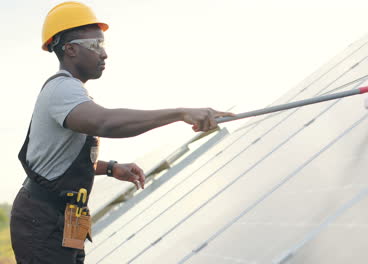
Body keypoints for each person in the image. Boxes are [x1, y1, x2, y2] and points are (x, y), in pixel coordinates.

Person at [9, 2, 234, 263]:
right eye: (96, 45)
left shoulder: (71, 93)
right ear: (70, 50)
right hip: (44, 220)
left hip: (64, 218)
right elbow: (106, 123)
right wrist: (180, 113)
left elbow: (59, 161)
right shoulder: (62, 90)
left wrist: (110, 168)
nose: (104, 54)